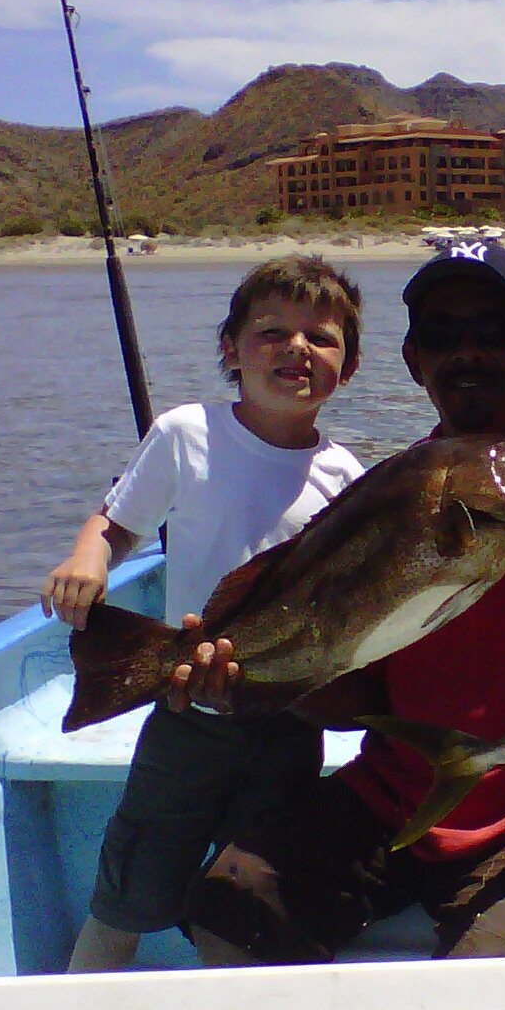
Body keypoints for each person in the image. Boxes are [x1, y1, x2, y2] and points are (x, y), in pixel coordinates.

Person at [175, 238, 505, 965]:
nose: (464, 351)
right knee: (227, 907)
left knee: (489, 972)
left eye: (492, 331)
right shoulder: (399, 491)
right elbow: (360, 696)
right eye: (441, 335)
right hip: (396, 794)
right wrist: (261, 678)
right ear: (414, 363)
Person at [40, 254, 366, 972]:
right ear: (231, 349)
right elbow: (116, 522)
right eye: (272, 332)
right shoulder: (186, 433)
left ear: (350, 364)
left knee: (248, 904)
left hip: (289, 725)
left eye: (322, 337)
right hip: (187, 714)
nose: (297, 349)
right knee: (128, 887)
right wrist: (88, 561)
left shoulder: (350, 480)